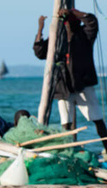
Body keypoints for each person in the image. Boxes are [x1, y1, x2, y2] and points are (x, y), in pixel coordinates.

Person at [34, 8, 107, 153]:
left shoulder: (84, 35)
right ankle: (69, 152)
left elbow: (92, 21)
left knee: (98, 120)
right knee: (66, 124)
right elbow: (40, 51)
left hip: (83, 85)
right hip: (64, 87)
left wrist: (74, 12)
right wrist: (40, 28)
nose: (68, 26)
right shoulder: (57, 38)